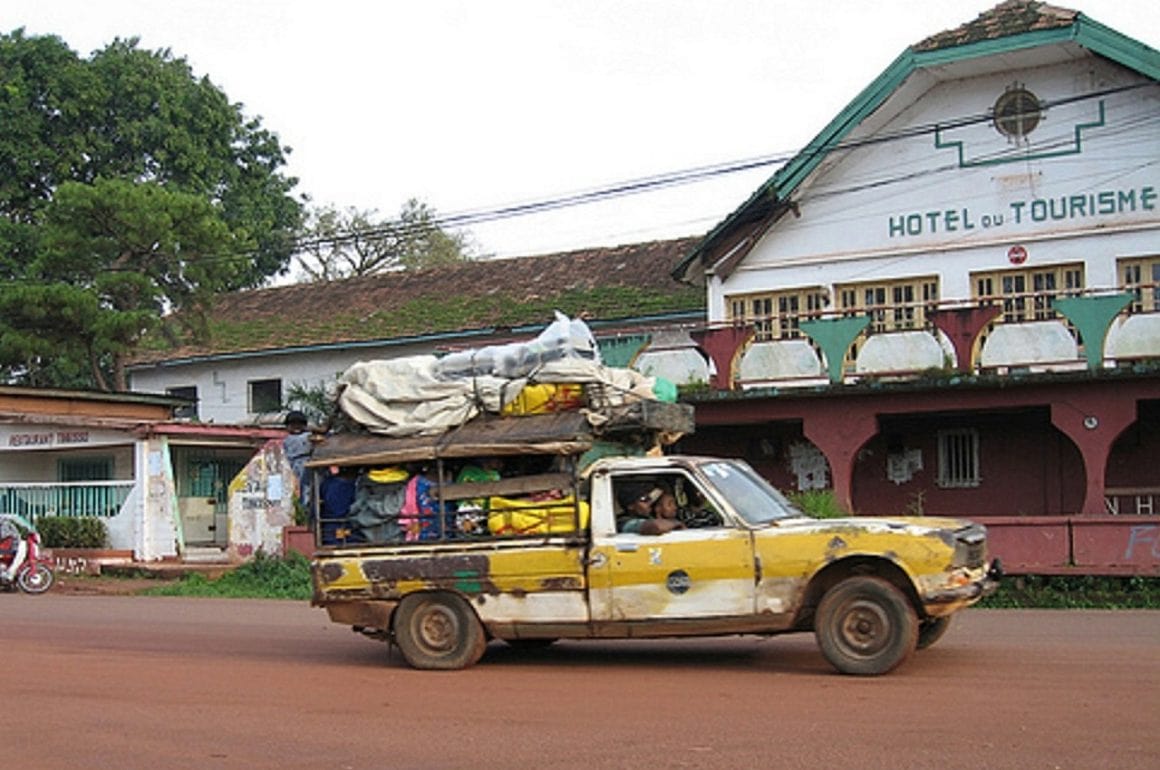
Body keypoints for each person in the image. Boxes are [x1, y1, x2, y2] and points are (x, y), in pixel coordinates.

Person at [616, 483, 684, 535]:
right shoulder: (623, 522)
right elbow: (657, 527)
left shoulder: (646, 516)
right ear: (631, 506)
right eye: (644, 499)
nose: (649, 502)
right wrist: (676, 523)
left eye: (649, 498)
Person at [0, 515, 27, 584]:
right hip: (11, 546)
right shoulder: (5, 522)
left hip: (11, 547)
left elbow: (4, 536)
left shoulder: (4, 524)